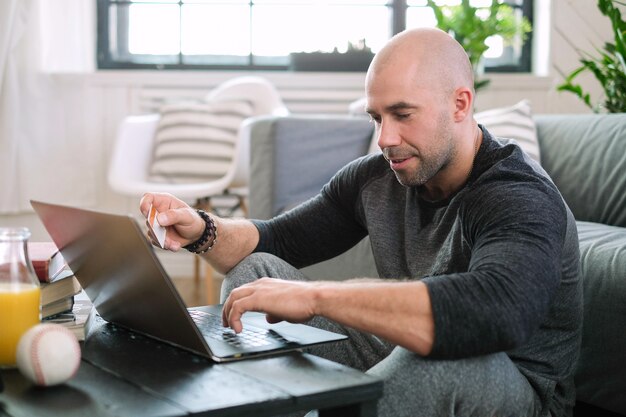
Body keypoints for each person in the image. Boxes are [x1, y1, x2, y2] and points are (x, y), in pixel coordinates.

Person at [140, 28, 582, 417]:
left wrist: (318, 296)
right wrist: (201, 229)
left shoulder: (516, 193)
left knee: (429, 358)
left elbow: (498, 311)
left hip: (511, 389)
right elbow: (279, 239)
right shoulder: (378, 176)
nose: (385, 139)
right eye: (377, 117)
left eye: (403, 115)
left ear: (460, 104)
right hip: (404, 350)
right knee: (254, 274)